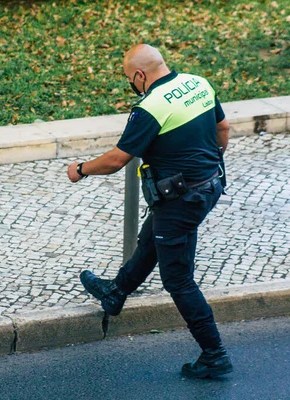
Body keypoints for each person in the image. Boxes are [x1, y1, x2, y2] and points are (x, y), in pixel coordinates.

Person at [66, 44, 232, 378]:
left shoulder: (150, 107)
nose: (131, 83)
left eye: (130, 78)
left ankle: (214, 354)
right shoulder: (198, 83)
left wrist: (81, 168)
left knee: (178, 280)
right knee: (152, 238)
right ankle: (115, 292)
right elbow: (224, 129)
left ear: (140, 75)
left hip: (181, 199)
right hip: (210, 184)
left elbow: (117, 159)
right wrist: (205, 164)